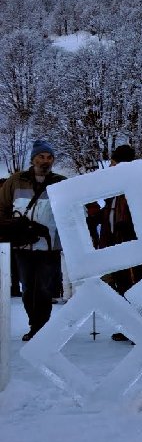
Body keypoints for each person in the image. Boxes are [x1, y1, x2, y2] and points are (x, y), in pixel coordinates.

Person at [98, 144, 142, 341]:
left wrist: (129, 228)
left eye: (113, 162)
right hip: (117, 244)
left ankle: (141, 330)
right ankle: (130, 328)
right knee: (124, 287)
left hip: (136, 245)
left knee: (135, 287)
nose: (110, 166)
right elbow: (109, 214)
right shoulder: (114, 187)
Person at [0, 140, 66, 341]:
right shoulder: (15, 180)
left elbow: (72, 213)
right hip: (22, 244)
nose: (45, 161)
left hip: (49, 246)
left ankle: (40, 328)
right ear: (33, 159)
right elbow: (1, 209)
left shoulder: (61, 182)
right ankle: (34, 322)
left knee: (44, 288)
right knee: (28, 288)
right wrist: (15, 226)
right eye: (41, 157)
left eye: (49, 157)